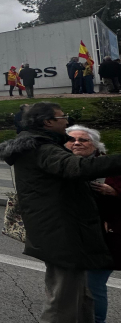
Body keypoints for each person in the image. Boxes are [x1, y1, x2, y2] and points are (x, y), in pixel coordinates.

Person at [0, 103, 121, 322]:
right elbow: (77, 168)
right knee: (64, 300)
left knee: (82, 295)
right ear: (47, 122)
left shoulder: (43, 146)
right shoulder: (42, 148)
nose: (67, 121)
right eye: (63, 117)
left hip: (62, 231)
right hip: (61, 233)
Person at [63, 125, 119, 323]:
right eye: (72, 140)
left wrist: (115, 193)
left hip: (105, 237)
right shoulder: (62, 165)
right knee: (73, 287)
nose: (77, 143)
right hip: (74, 237)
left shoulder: (110, 166)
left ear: (94, 144)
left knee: (93, 284)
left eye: (83, 140)